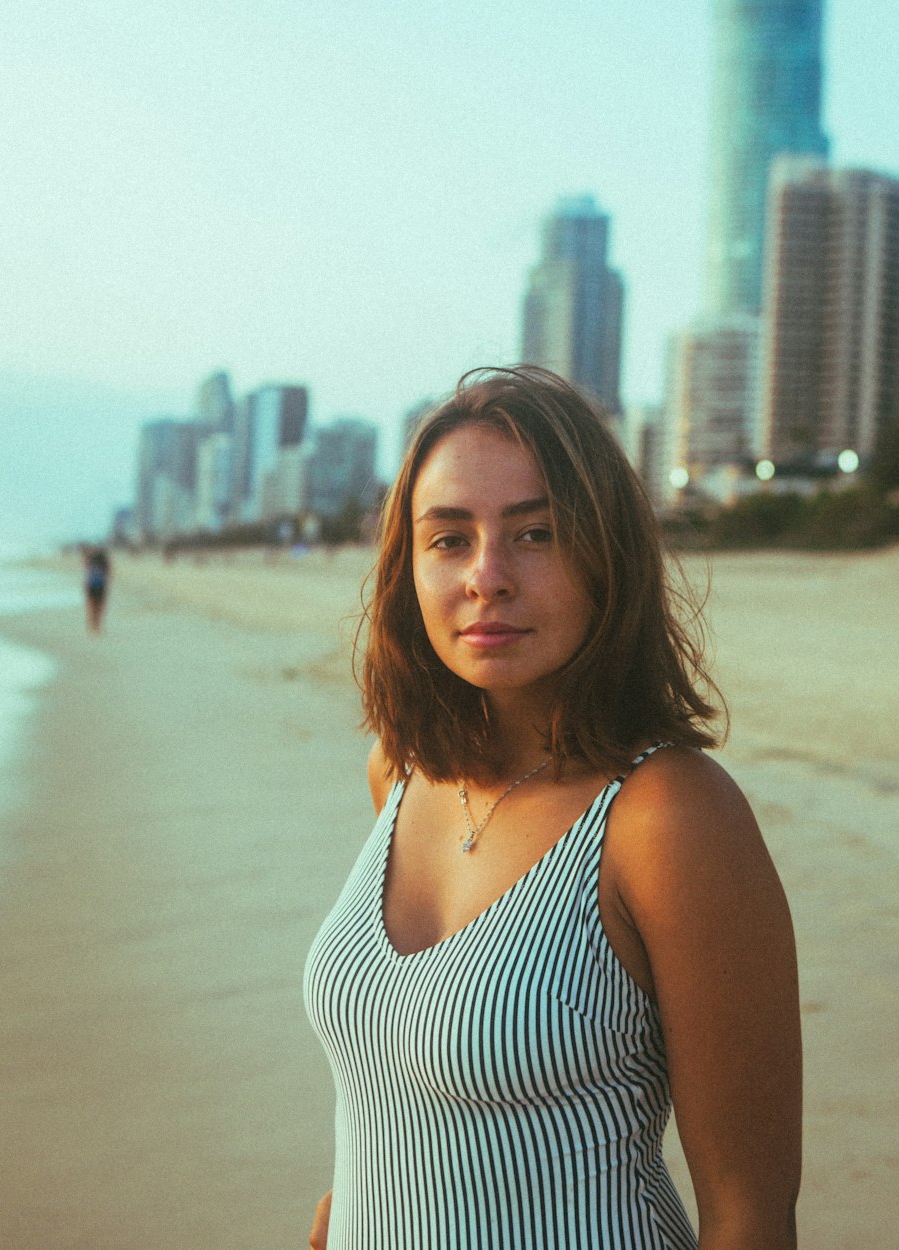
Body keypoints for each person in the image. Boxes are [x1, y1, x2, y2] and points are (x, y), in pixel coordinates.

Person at [304, 366, 801, 1249]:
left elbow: (749, 1211)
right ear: (407, 568)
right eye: (448, 540)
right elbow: (398, 1076)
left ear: (604, 554)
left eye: (536, 534)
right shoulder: (402, 772)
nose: (487, 577)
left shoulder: (667, 818)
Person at [82, 545, 111, 633]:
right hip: (100, 585)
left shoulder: (89, 559)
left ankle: (93, 625)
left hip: (91, 585)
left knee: (92, 606)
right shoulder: (104, 561)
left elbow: (86, 570)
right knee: (99, 607)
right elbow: (109, 573)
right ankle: (96, 625)